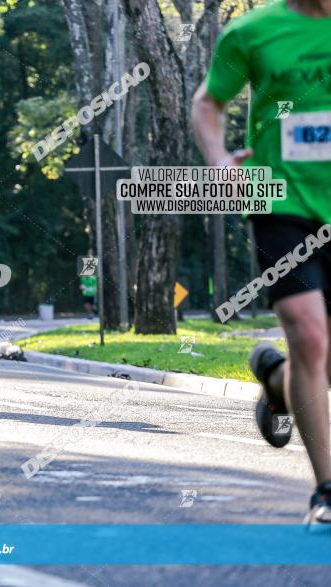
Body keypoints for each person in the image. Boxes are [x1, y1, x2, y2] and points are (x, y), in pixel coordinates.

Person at [192, 0, 331, 526]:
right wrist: (217, 158)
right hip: (281, 202)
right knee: (311, 337)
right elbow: (209, 103)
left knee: (325, 358)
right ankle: (327, 490)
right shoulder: (253, 31)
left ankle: (276, 381)